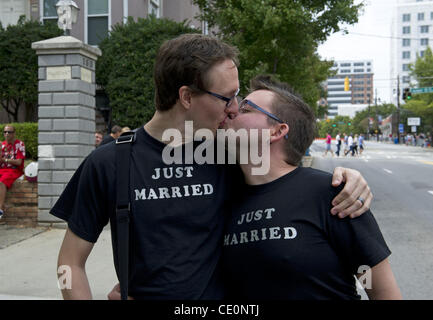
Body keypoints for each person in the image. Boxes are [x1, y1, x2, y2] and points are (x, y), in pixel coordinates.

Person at [50, 34, 373, 300]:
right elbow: (69, 263)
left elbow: (287, 178)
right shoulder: (109, 161)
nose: (234, 109)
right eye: (227, 98)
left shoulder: (230, 154)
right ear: (187, 96)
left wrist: (348, 177)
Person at [222, 75, 401, 300]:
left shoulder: (333, 195)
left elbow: (380, 290)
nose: (232, 110)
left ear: (277, 131)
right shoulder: (222, 194)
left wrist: (364, 275)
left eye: (246, 108)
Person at [0, 125, 26, 220]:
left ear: (14, 134)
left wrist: (5, 160)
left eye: (9, 132)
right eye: (5, 132)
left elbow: (19, 162)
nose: (6, 134)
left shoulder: (19, 144)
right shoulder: (1, 145)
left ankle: (1, 208)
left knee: (2, 182)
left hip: (14, 170)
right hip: (2, 169)